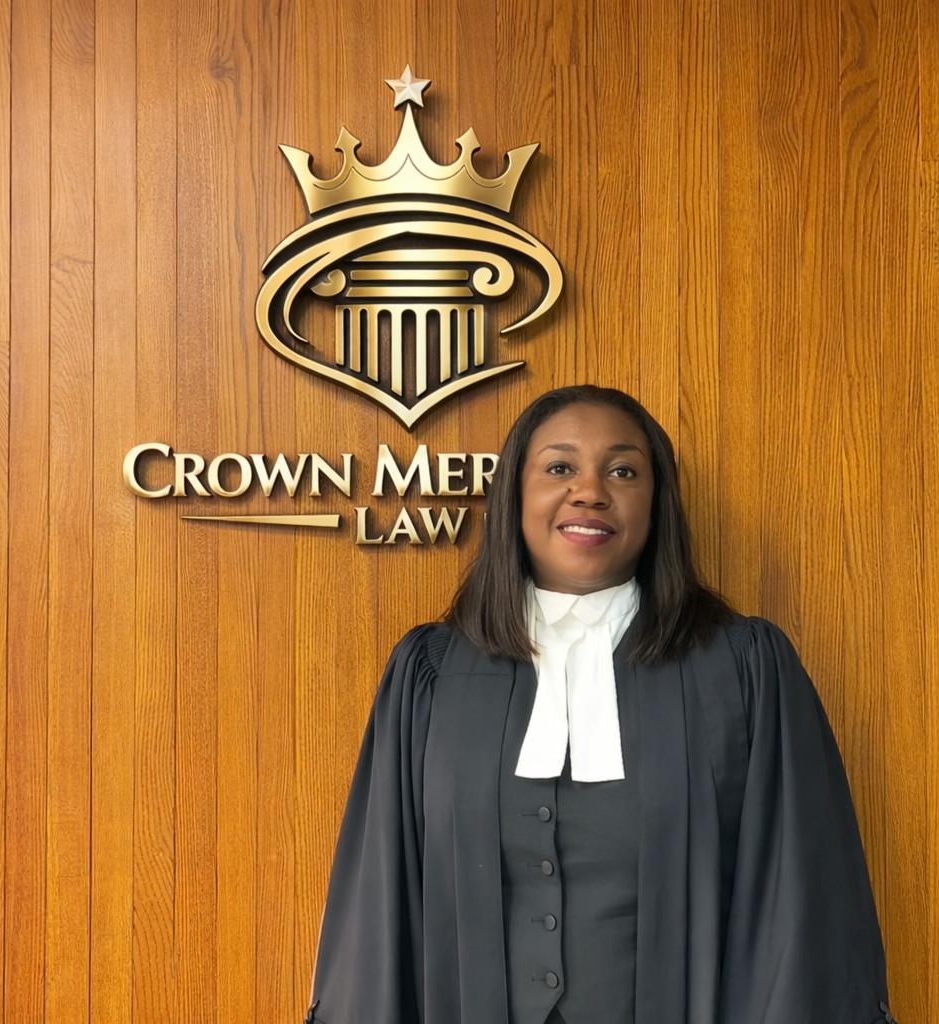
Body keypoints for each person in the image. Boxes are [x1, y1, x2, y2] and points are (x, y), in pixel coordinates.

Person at [304, 385, 898, 1024]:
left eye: (623, 472)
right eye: (560, 467)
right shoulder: (431, 672)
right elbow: (380, 903)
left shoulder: (742, 670)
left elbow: (802, 902)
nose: (589, 491)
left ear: (657, 503)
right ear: (515, 496)